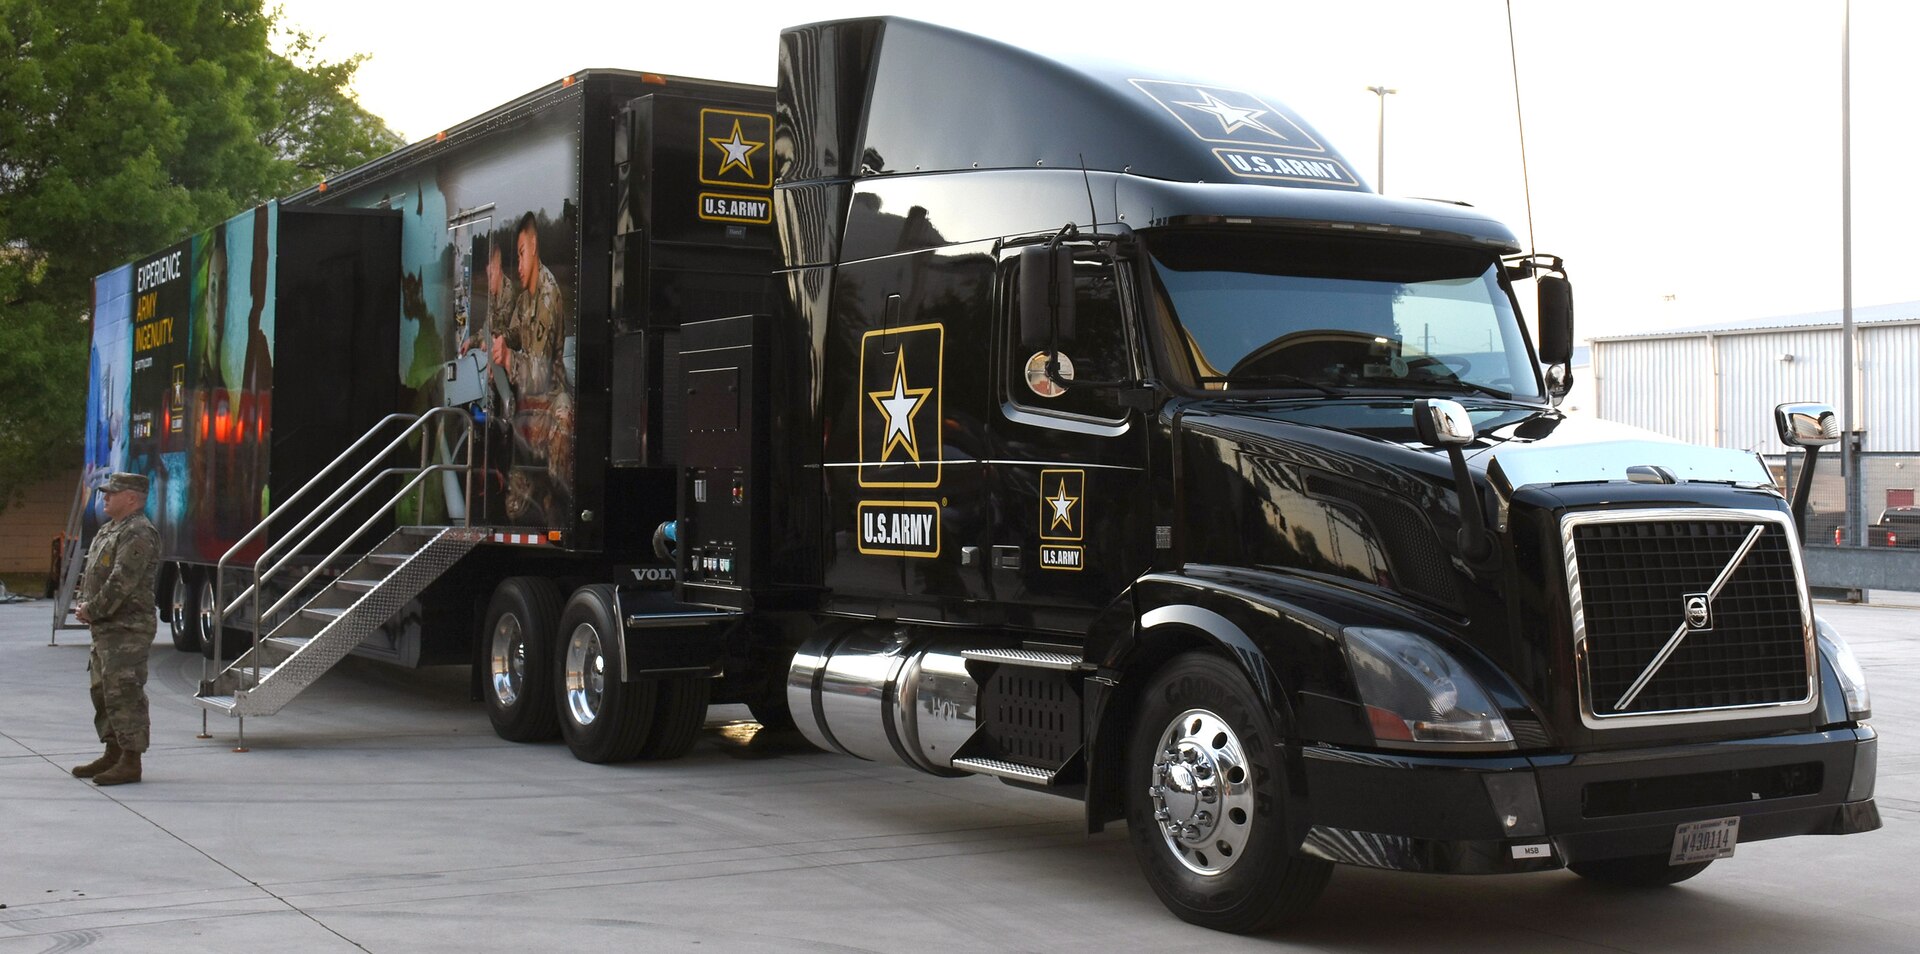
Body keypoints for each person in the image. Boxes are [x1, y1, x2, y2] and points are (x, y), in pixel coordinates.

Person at [71, 472, 161, 786]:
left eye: (113, 493)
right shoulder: (109, 529)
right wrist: (84, 604)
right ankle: (113, 752)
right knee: (103, 690)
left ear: (132, 498)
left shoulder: (138, 531)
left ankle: (131, 760)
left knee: (124, 692)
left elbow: (122, 580)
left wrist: (92, 609)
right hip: (105, 627)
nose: (105, 497)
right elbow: (92, 571)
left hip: (127, 628)